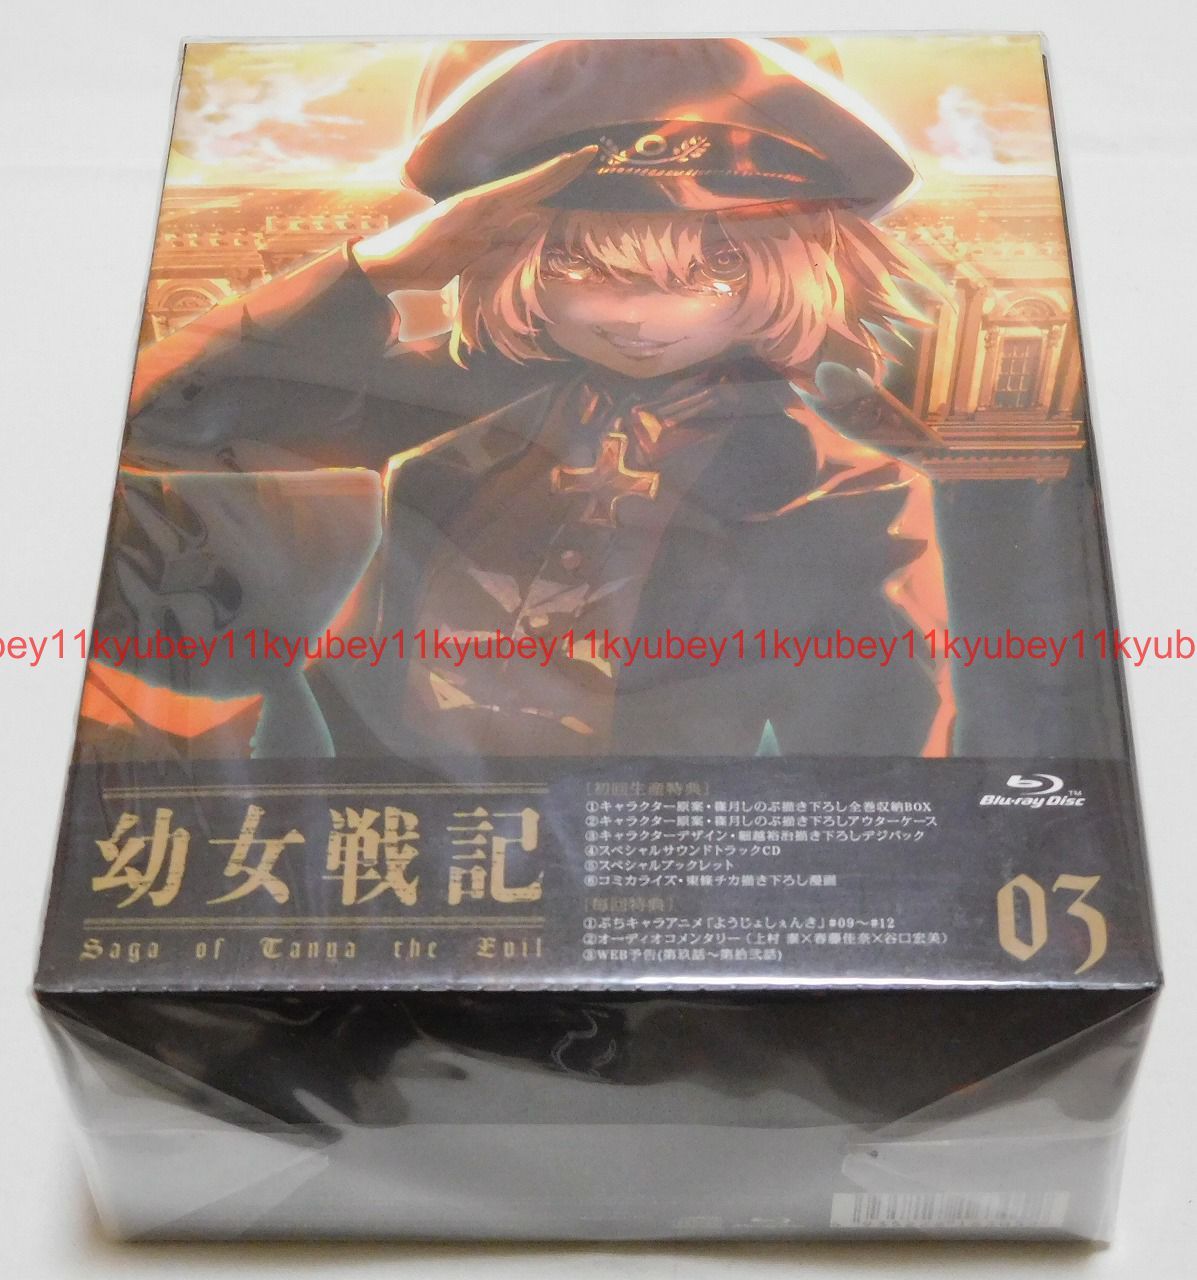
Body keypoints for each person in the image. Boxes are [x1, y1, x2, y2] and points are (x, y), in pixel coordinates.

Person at [105, 37, 954, 760]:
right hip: (392, 841)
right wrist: (379, 269)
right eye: (574, 262)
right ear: (508, 255)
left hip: (639, 855)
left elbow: (882, 768)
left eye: (713, 267)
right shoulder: (457, 401)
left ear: (801, 267)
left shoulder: (841, 493)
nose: (632, 312)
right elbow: (155, 422)